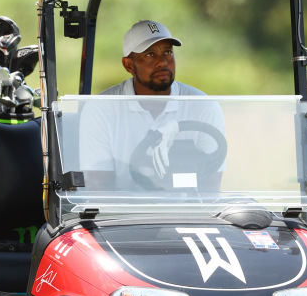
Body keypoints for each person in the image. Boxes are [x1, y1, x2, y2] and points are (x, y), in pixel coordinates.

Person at [78, 20, 226, 192]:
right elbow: (99, 190)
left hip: (184, 207)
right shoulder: (100, 109)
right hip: (121, 209)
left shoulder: (203, 106)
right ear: (128, 65)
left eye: (168, 52)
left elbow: (209, 189)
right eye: (150, 55)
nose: (162, 62)